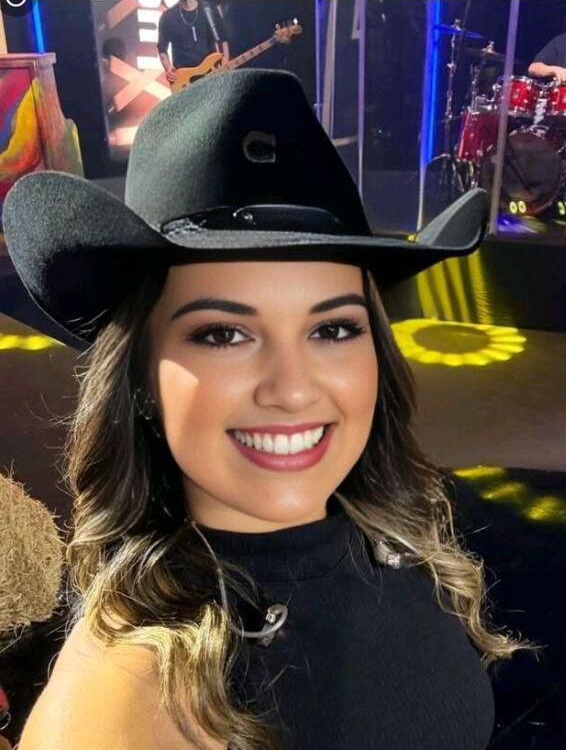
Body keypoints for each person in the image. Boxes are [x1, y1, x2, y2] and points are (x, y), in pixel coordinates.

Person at [3, 69, 533, 750]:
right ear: (140, 378)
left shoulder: (402, 535)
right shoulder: (130, 695)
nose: (293, 389)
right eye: (224, 334)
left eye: (332, 328)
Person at [157, 0, 230, 86]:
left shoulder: (208, 8)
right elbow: (162, 49)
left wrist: (225, 59)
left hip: (212, 75)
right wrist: (168, 67)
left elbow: (223, 37)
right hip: (185, 82)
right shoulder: (168, 17)